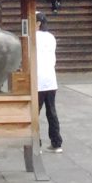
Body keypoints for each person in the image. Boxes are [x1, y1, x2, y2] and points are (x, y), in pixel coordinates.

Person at [35, 13, 63, 153]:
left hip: (37, 79)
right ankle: (56, 142)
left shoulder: (32, 37)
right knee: (51, 111)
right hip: (51, 79)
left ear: (38, 23)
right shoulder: (51, 37)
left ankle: (36, 143)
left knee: (34, 113)